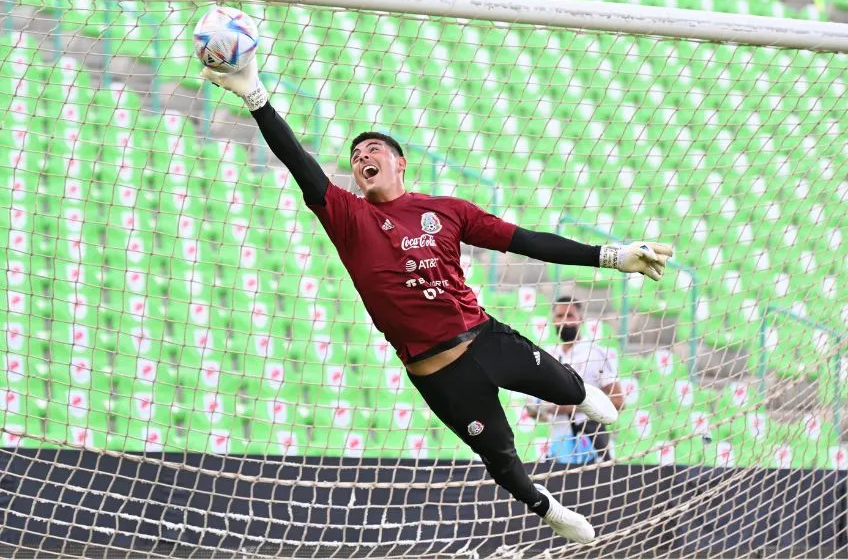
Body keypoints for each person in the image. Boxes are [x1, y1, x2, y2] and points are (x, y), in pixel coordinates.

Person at [201, 59, 673, 544]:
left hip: (486, 339)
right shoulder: (348, 216)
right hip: (440, 375)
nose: (363, 155)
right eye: (356, 153)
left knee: (571, 390)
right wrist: (255, 95)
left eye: (374, 148)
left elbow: (527, 241)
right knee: (503, 460)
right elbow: (299, 161)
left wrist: (611, 256)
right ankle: (546, 507)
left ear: (400, 162)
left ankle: (578, 393)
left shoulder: (447, 212)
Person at [526, 296, 624, 463]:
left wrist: (574, 407)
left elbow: (619, 401)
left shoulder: (595, 353)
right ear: (553, 321)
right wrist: (539, 408)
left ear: (581, 319)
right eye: (559, 316)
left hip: (591, 437)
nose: (564, 321)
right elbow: (531, 410)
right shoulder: (547, 356)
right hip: (559, 443)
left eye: (570, 315)